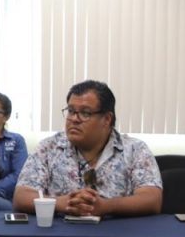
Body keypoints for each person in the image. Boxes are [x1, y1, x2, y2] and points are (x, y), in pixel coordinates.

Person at [13, 79, 161, 217]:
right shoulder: (48, 148)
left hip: (116, 232)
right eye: (71, 111)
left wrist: (106, 206)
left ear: (106, 119)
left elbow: (152, 199)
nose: (74, 119)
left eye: (85, 113)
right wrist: (61, 203)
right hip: (61, 231)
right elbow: (21, 196)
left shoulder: (135, 150)